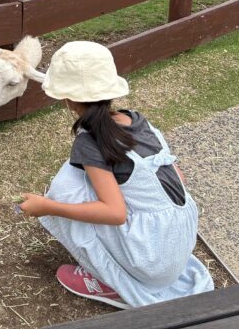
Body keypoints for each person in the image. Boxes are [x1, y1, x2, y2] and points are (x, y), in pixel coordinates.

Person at [18, 41, 213, 309]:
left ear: (67, 98)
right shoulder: (136, 120)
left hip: (151, 260)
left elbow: (115, 213)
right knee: (92, 184)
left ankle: (111, 282)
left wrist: (48, 206)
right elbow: (177, 176)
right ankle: (133, 264)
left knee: (67, 187)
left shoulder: (89, 143)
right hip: (178, 242)